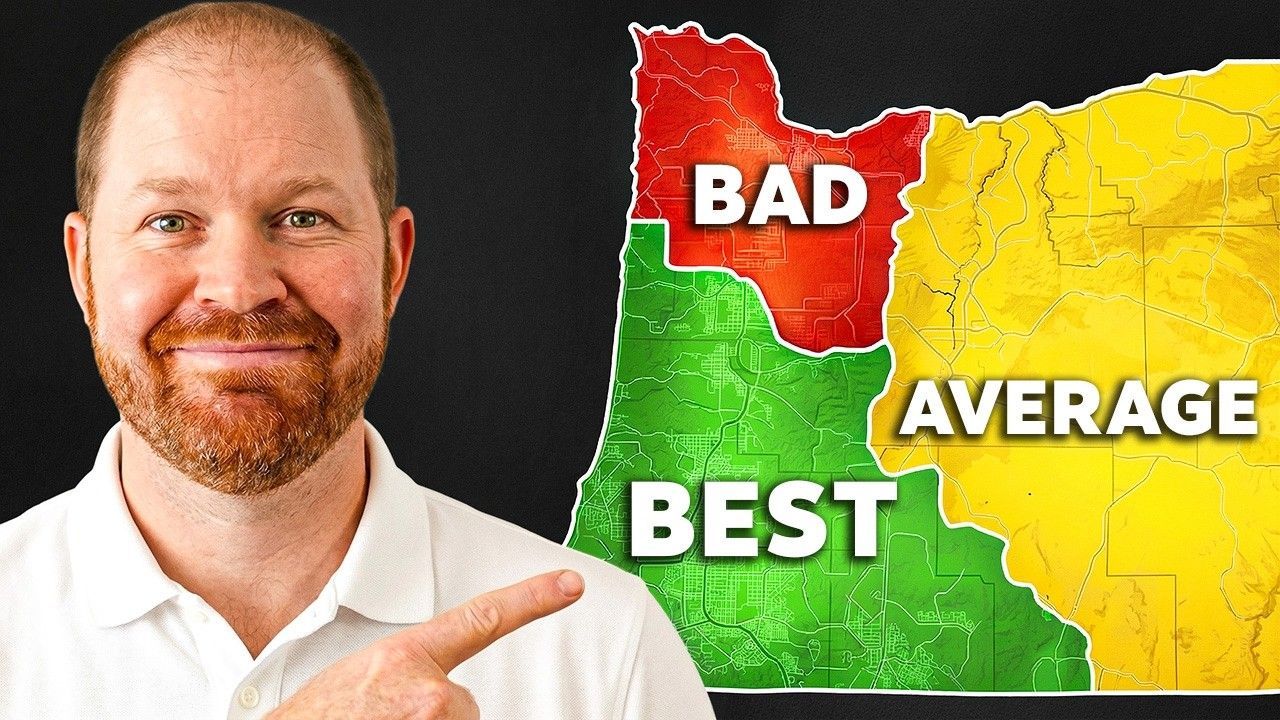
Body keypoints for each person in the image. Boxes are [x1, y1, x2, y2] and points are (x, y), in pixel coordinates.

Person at [0, 3, 716, 718]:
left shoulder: (604, 645)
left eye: (303, 218)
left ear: (393, 264)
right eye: (169, 222)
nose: (240, 286)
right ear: (83, 270)